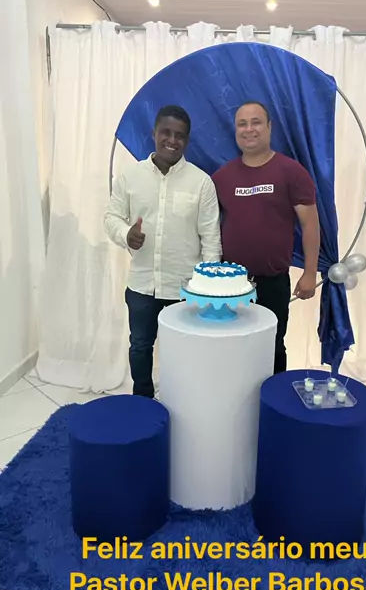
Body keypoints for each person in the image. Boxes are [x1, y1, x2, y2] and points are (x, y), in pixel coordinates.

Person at [104, 105, 222, 398]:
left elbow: (211, 238)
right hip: (142, 285)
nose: (172, 140)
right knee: (140, 347)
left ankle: (182, 403)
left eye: (179, 135)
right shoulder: (130, 177)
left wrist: (209, 290)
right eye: (166, 132)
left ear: (187, 140)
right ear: (154, 133)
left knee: (185, 351)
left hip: (185, 288)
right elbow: (111, 217)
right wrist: (126, 234)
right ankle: (142, 403)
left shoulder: (201, 182)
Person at [212, 101, 320, 374]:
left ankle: (271, 399)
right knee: (231, 346)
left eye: (256, 122)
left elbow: (310, 225)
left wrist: (309, 273)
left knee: (272, 347)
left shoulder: (292, 172)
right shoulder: (221, 178)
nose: (249, 129)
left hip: (273, 283)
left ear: (270, 127)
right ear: (235, 130)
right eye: (242, 124)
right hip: (231, 284)